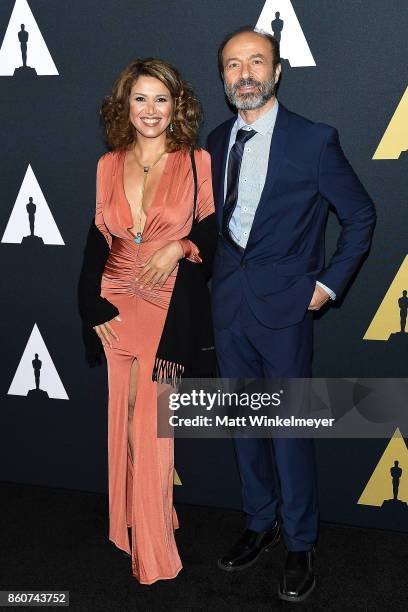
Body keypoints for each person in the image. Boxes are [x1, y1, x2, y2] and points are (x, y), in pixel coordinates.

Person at [207, 26, 376, 602]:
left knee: (288, 430)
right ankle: (259, 522)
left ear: (277, 72)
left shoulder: (314, 140)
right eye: (233, 65)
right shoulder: (213, 141)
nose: (245, 73)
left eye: (257, 62)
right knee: (244, 425)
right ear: (224, 78)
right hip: (228, 305)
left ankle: (301, 541)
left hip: (285, 308)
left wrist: (326, 285)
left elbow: (360, 217)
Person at [78, 57, 216, 585]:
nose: (151, 110)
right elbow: (98, 241)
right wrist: (91, 305)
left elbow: (212, 237)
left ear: (177, 105)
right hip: (116, 303)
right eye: (140, 98)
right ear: (125, 106)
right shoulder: (108, 164)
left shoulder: (197, 162)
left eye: (162, 99)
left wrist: (178, 247)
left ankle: (154, 545)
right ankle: (133, 519)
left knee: (151, 424)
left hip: (167, 306)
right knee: (125, 415)